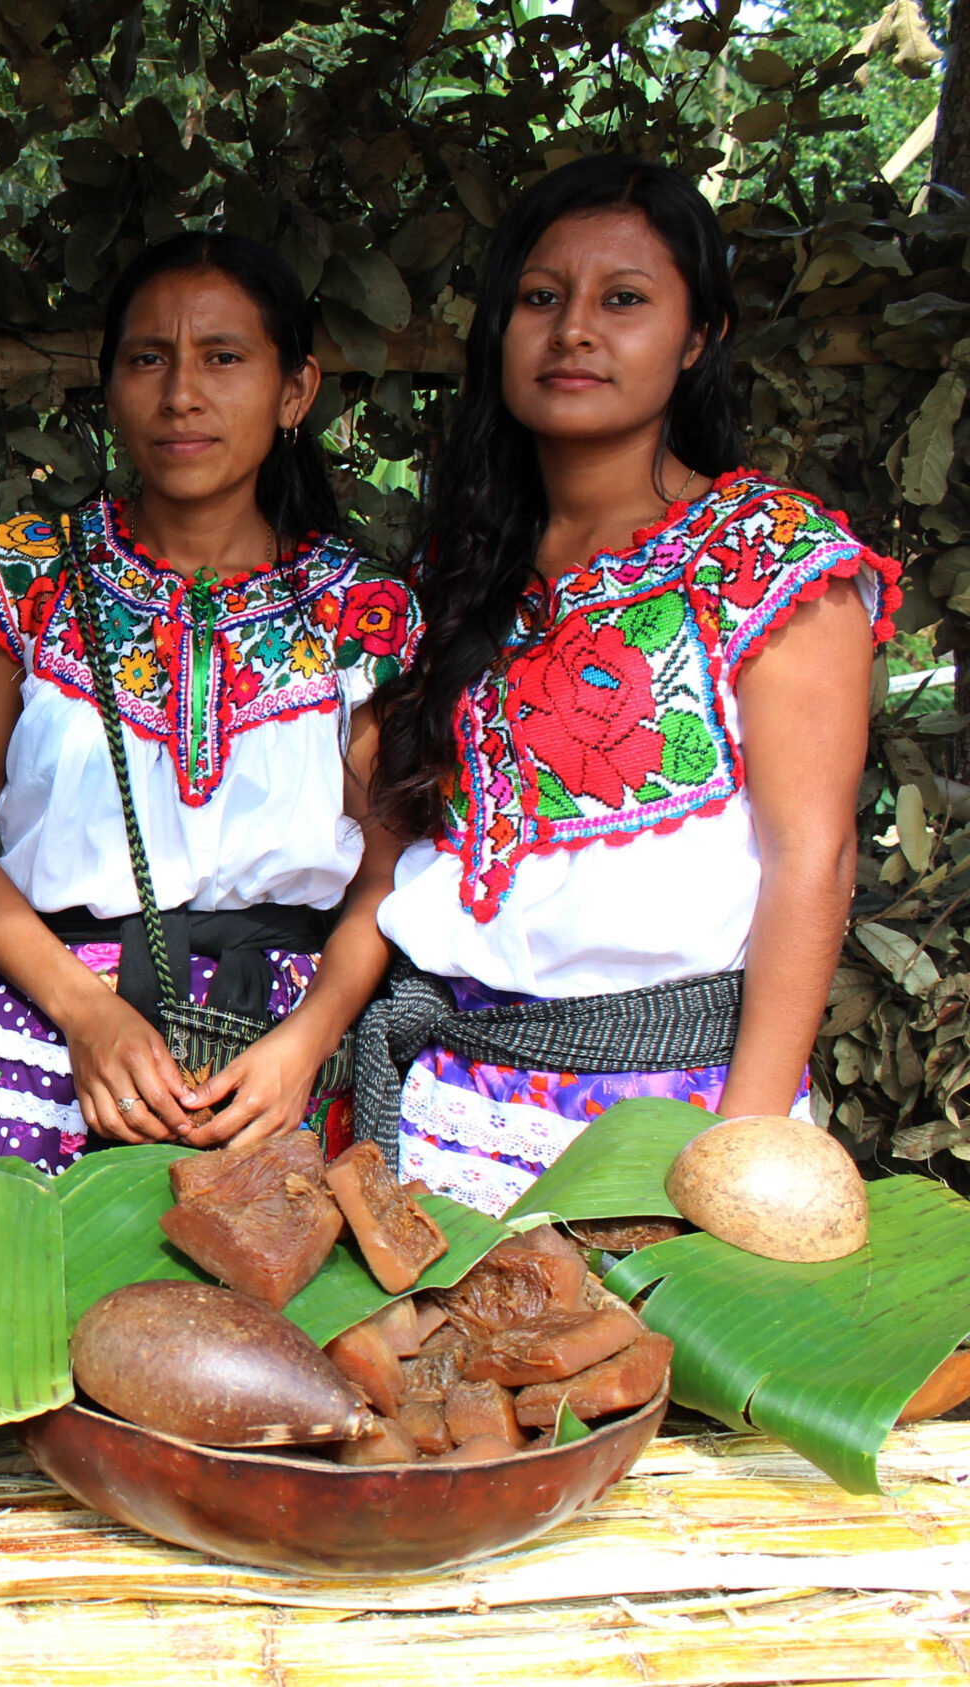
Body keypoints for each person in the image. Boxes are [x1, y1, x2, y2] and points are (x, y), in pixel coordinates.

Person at [362, 155, 898, 1215]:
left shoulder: (767, 556)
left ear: (696, 338)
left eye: (624, 300)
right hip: (445, 1111)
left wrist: (733, 1163)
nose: (573, 332)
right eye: (541, 298)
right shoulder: (459, 579)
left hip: (671, 1120)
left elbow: (814, 859)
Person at [0, 232, 422, 1175]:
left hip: (278, 1072)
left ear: (294, 392)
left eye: (223, 358)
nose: (181, 392)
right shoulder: (26, 577)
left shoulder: (360, 614)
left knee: (281, 1322)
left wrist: (307, 1043)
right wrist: (85, 1011)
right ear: (110, 387)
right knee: (17, 1318)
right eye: (149, 358)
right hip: (52, 1038)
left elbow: (384, 876)